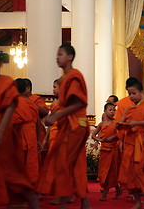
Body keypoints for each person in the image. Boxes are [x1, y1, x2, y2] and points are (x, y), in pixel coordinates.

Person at [0, 49, 38, 209]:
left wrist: (0, 131)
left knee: (7, 172)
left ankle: (31, 198)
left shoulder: (5, 82)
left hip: (2, 134)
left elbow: (10, 107)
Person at [37, 44, 90, 209]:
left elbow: (79, 102)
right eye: (57, 54)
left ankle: (65, 200)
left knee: (64, 162)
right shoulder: (65, 78)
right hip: (69, 125)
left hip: (76, 124)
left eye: (60, 54)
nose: (57, 57)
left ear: (70, 57)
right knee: (73, 162)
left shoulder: (74, 75)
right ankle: (82, 201)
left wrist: (56, 115)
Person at [105, 80, 144, 209]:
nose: (131, 96)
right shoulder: (129, 108)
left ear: (141, 92)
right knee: (128, 171)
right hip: (129, 141)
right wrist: (121, 122)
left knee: (137, 170)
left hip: (141, 140)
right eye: (129, 94)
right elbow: (120, 123)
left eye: (134, 93)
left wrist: (136, 123)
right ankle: (137, 201)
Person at [91, 103, 122, 201]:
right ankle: (118, 189)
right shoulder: (102, 124)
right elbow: (93, 135)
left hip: (113, 150)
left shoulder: (116, 123)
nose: (112, 112)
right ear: (105, 111)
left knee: (112, 171)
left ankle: (105, 193)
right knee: (103, 172)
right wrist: (99, 140)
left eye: (114, 110)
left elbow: (119, 135)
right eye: (110, 110)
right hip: (104, 150)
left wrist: (112, 138)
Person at [12, 78, 40, 186]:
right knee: (31, 162)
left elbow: (14, 123)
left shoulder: (16, 103)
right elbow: (37, 121)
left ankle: (22, 190)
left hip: (20, 134)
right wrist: (38, 139)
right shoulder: (31, 103)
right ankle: (32, 186)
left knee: (19, 163)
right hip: (31, 134)